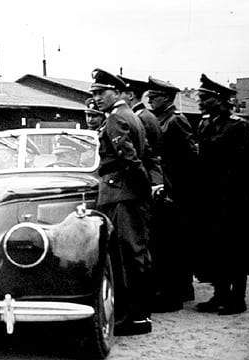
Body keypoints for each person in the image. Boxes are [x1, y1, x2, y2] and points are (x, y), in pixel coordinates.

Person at [90, 68, 153, 336]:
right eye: (94, 94)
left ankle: (132, 317)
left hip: (120, 193)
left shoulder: (116, 118)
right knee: (135, 254)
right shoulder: (132, 116)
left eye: (101, 93)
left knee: (125, 256)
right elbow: (146, 155)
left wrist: (141, 188)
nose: (96, 99)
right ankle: (139, 315)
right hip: (127, 193)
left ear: (115, 92)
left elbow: (129, 158)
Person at [193, 74, 249, 315]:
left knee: (235, 248)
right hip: (211, 196)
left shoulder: (238, 126)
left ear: (219, 100)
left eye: (204, 97)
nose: (200, 101)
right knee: (214, 246)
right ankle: (220, 294)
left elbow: (246, 165)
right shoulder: (205, 123)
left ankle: (237, 299)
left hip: (234, 197)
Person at [146, 76, 198, 312]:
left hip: (174, 190)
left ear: (165, 98)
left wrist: (175, 189)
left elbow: (188, 158)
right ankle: (180, 290)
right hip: (164, 187)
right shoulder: (160, 119)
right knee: (166, 242)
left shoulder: (176, 120)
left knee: (171, 244)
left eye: (154, 97)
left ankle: (173, 296)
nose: (150, 101)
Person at [119, 76, 164, 187]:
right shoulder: (143, 115)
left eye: (120, 93)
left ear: (130, 95)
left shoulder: (141, 117)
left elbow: (150, 152)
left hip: (147, 176)